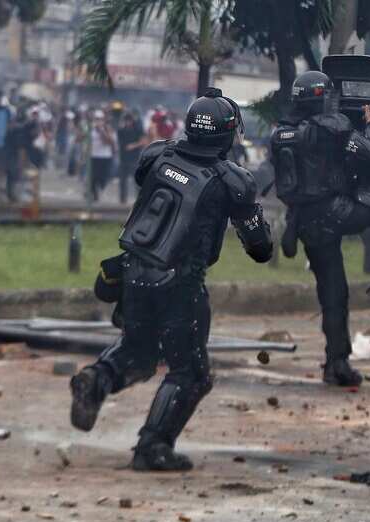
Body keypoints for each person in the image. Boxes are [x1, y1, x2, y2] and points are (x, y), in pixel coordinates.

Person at [68, 89, 273, 471]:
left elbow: (147, 179)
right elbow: (261, 248)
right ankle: (153, 447)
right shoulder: (233, 180)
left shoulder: (157, 153)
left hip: (134, 272)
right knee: (191, 372)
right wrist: (254, 214)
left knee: (139, 352)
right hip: (180, 284)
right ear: (228, 133)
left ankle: (95, 379)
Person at [271, 70, 370, 387]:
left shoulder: (283, 133)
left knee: (333, 294)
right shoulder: (332, 129)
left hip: (304, 222)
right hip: (334, 211)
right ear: (321, 99)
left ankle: (336, 363)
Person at [116, 109, 144, 204]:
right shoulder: (121, 130)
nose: (128, 122)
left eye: (129, 120)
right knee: (122, 181)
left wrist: (133, 145)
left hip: (134, 158)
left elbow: (142, 141)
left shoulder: (137, 130)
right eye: (126, 120)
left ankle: (138, 199)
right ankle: (122, 199)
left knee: (135, 180)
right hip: (123, 158)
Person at [88, 109, 116, 203]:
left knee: (103, 177)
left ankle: (101, 189)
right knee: (93, 177)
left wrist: (101, 131)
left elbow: (108, 142)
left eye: (100, 119)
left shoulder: (107, 128)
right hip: (94, 156)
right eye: (96, 119)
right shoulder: (90, 128)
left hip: (105, 156)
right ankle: (94, 195)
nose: (98, 121)